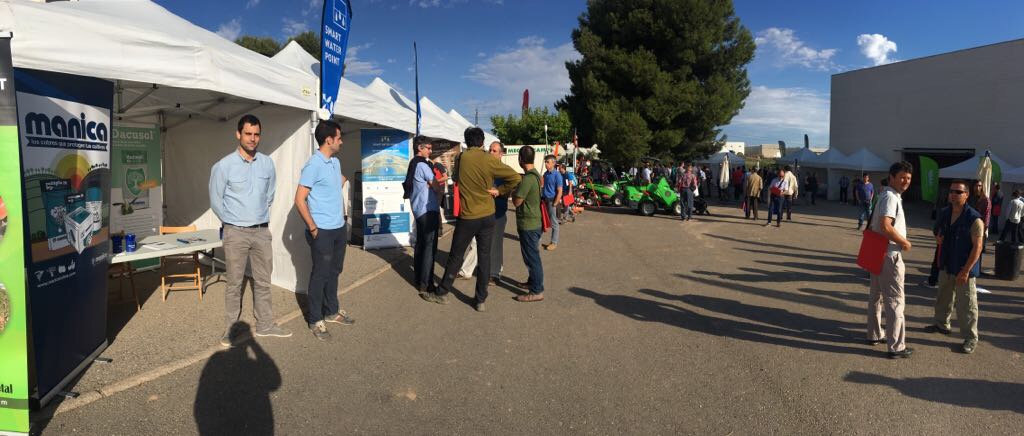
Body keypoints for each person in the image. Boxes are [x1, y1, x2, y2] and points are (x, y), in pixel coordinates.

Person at [209, 114, 291, 346]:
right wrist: (232, 222)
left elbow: (270, 194)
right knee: (235, 283)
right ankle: (231, 329)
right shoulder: (223, 166)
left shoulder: (267, 163)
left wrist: (258, 217)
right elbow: (216, 200)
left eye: (256, 134)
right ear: (238, 134)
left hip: (261, 232)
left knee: (263, 281)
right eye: (248, 134)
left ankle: (265, 325)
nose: (253, 139)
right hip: (236, 232)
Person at [420, 127, 521, 312]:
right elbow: (514, 177)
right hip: (488, 215)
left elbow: (457, 178)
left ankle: (442, 293)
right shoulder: (489, 159)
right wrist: (500, 191)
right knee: (484, 257)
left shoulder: (461, 158)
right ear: (482, 142)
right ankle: (480, 299)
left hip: (468, 216)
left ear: (466, 142)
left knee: (456, 255)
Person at [294, 120, 354, 341]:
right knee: (320, 275)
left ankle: (331, 311)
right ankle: (315, 319)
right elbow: (299, 199)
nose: (341, 141)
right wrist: (312, 227)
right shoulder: (313, 164)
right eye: (339, 137)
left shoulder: (334, 163)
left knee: (334, 271)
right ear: (329, 139)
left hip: (338, 228)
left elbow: (335, 183)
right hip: (322, 231)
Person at [924, 180, 983, 354]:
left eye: (958, 192)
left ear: (966, 195)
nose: (953, 194)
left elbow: (977, 247)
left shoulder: (974, 218)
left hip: (964, 268)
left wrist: (965, 270)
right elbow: (937, 230)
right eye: (951, 191)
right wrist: (937, 237)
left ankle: (970, 338)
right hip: (946, 264)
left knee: (967, 305)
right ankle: (942, 324)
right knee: (943, 297)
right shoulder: (944, 212)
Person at [866, 161, 914, 359]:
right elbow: (885, 225)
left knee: (876, 297)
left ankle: (875, 334)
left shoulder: (886, 194)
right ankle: (896, 346)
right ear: (892, 177)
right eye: (902, 177)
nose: (906, 181)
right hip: (889, 254)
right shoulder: (890, 197)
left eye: (909, 178)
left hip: (878, 252)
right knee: (895, 300)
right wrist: (904, 242)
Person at [408, 136, 446, 296]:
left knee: (421, 245)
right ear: (420, 148)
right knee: (429, 249)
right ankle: (426, 284)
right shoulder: (423, 165)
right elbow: (436, 185)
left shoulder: (413, 163)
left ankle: (419, 279)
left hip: (418, 209)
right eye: (428, 148)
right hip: (427, 209)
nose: (430, 151)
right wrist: (435, 184)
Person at [511, 146, 545, 302]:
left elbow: (517, 202)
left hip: (528, 224)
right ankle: (533, 282)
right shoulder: (536, 175)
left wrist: (514, 190)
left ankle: (537, 291)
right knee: (532, 256)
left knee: (532, 258)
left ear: (520, 159)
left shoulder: (528, 179)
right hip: (534, 222)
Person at [488, 142, 510, 285]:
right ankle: (486, 269)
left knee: (496, 243)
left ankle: (494, 273)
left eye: (494, 151)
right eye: (490, 150)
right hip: (484, 212)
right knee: (485, 243)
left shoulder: (505, 170)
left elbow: (511, 188)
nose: (491, 152)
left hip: (498, 212)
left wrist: (498, 191)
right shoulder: (485, 169)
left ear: (501, 154)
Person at [542, 155, 563, 251]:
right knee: (542, 221)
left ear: (553, 163)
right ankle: (537, 241)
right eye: (545, 162)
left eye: (547, 162)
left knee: (554, 223)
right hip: (544, 200)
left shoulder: (557, 175)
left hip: (552, 201)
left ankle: (554, 243)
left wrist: (555, 203)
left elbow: (560, 191)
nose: (545, 164)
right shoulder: (546, 174)